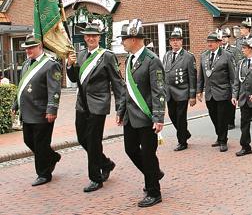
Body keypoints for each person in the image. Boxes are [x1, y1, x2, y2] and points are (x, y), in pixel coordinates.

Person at [67, 21, 125, 192]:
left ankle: (96, 178)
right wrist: (69, 65)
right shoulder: (80, 55)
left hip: (98, 104)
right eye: (88, 36)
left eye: (94, 36)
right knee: (82, 139)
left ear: (99, 37)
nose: (91, 38)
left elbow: (117, 82)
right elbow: (73, 79)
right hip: (81, 104)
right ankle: (106, 163)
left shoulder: (107, 55)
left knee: (93, 141)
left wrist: (120, 108)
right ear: (84, 38)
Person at [116, 19, 166, 208]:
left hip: (146, 117)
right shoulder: (129, 59)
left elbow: (159, 90)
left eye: (124, 39)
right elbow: (125, 89)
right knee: (130, 149)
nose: (122, 42)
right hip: (130, 116)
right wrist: (121, 111)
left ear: (134, 39)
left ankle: (154, 192)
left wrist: (159, 117)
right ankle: (154, 173)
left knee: (148, 155)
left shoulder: (152, 61)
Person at [11, 34, 62, 186]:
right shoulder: (27, 64)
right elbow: (22, 86)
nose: (28, 51)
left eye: (31, 47)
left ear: (40, 47)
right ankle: (52, 157)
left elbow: (54, 89)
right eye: (26, 48)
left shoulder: (50, 64)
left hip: (42, 112)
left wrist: (52, 109)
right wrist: (15, 104)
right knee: (29, 140)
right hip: (27, 112)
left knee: (40, 144)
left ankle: (44, 174)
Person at [197, 30, 236, 152]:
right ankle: (219, 136)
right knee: (213, 116)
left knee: (222, 118)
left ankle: (223, 140)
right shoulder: (204, 56)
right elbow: (201, 75)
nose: (210, 44)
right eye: (208, 41)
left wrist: (234, 94)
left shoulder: (227, 55)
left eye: (212, 42)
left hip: (223, 92)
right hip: (209, 93)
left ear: (219, 43)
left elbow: (233, 77)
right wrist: (199, 90)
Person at [162, 27, 197, 151]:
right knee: (172, 115)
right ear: (170, 42)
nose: (175, 42)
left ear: (182, 41)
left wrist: (192, 95)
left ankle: (182, 142)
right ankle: (185, 133)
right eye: (172, 40)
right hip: (169, 92)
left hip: (182, 92)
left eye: (177, 40)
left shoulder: (188, 57)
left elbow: (192, 77)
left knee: (181, 117)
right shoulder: (166, 55)